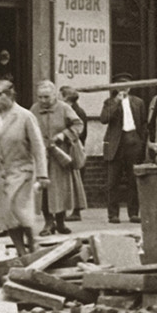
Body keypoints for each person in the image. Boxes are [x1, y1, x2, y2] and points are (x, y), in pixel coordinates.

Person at [0, 80, 48, 258]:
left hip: (21, 171)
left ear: (10, 95)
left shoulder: (24, 116)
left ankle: (33, 245)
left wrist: (42, 174)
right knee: (7, 216)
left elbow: (38, 147)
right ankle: (21, 251)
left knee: (19, 211)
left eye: (0, 94)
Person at [31, 81, 86, 237]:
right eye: (40, 97)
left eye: (46, 97)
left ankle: (60, 222)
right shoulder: (34, 109)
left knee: (61, 190)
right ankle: (48, 222)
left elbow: (78, 124)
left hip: (60, 155)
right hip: (41, 155)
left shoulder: (64, 108)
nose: (43, 100)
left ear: (54, 95)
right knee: (44, 191)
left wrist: (64, 135)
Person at [100, 72, 147, 224]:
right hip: (115, 146)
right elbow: (104, 119)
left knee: (133, 181)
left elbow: (144, 124)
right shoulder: (109, 102)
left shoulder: (138, 102)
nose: (124, 89)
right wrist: (116, 102)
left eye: (127, 85)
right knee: (113, 182)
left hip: (133, 144)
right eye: (121, 86)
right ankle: (113, 215)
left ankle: (133, 213)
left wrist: (141, 143)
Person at [59, 85, 88, 221]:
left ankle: (76, 210)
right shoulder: (69, 110)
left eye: (60, 95)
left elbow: (81, 131)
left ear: (66, 97)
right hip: (68, 149)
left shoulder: (76, 112)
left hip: (72, 149)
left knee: (75, 181)